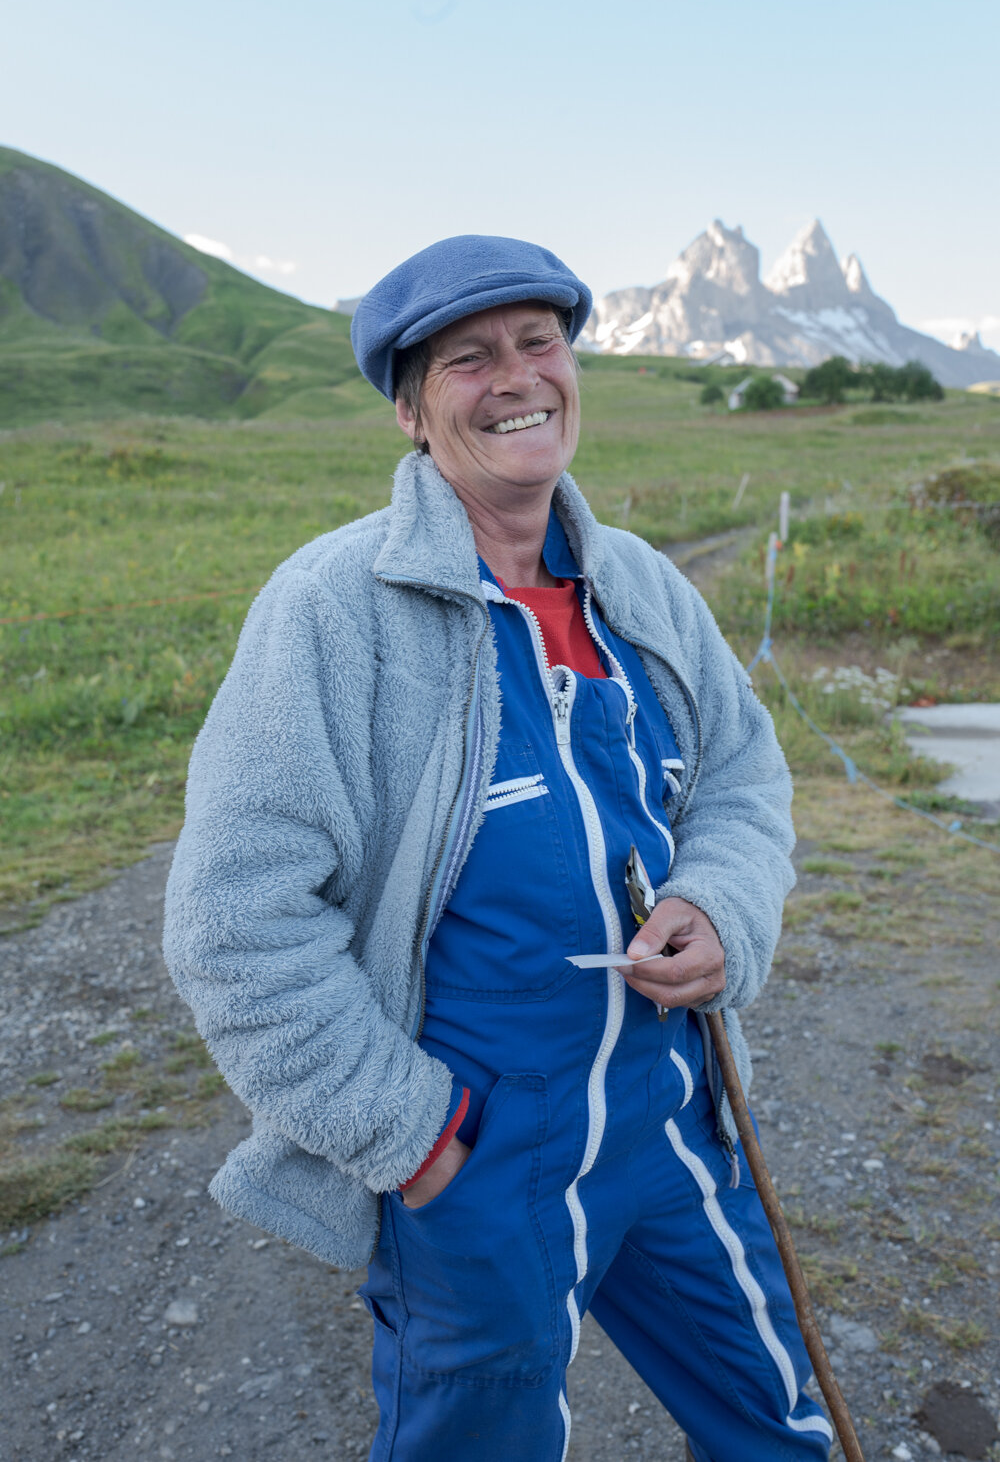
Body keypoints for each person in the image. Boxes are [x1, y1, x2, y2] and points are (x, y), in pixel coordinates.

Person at [163, 235, 833, 1461]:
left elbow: (740, 776)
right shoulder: (330, 609)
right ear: (415, 414)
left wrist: (719, 905)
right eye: (468, 359)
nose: (516, 376)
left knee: (780, 1423)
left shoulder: (638, 584)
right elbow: (235, 920)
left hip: (678, 1114)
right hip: (478, 1153)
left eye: (539, 343)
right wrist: (411, 1137)